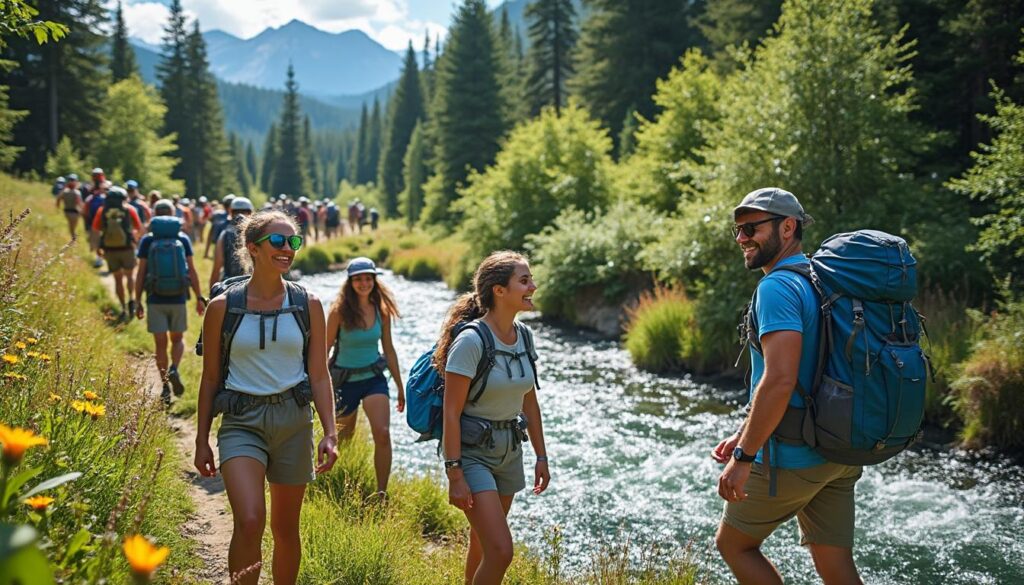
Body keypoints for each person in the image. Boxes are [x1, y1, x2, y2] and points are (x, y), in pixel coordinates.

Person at [713, 188, 864, 585]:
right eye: (738, 230)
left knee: (734, 545)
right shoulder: (822, 280)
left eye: (752, 228)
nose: (742, 238)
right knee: (836, 562)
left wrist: (744, 457)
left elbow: (780, 379)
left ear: (788, 227)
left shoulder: (777, 288)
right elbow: (813, 369)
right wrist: (746, 430)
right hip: (839, 450)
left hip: (795, 456)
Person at [193, 209, 337, 585]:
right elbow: (209, 379)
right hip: (241, 422)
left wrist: (330, 432)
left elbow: (319, 375)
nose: (287, 249)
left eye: (293, 241)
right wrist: (201, 439)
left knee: (286, 529)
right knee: (251, 519)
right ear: (252, 248)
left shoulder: (310, 305)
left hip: (294, 422)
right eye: (277, 241)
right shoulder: (222, 308)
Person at [438, 251, 550, 585]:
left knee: (484, 544)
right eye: (524, 280)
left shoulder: (524, 336)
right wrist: (455, 473)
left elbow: (529, 402)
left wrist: (541, 456)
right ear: (499, 290)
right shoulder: (471, 341)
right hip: (473, 455)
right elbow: (451, 411)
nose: (533, 285)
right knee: (501, 551)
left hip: (509, 450)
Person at [325, 257, 405, 495]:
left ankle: (382, 492)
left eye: (368, 278)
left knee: (382, 433)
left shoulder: (382, 310)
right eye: (358, 279)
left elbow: (389, 349)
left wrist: (400, 386)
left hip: (373, 379)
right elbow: (324, 349)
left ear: (374, 280)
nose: (363, 283)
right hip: (344, 381)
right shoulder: (338, 311)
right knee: (344, 438)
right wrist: (318, 385)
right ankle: (341, 484)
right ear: (350, 282)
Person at [134, 200, 206, 405]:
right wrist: (199, 296)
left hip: (155, 298)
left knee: (160, 343)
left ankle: (165, 384)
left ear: (154, 215)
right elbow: (191, 270)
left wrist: (137, 300)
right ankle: (175, 367)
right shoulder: (182, 238)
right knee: (177, 339)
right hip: (178, 297)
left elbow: (140, 273)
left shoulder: (148, 241)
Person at [92, 186, 143, 318]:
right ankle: (131, 298)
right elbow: (139, 228)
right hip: (127, 248)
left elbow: (96, 229)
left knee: (117, 279)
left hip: (110, 249)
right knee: (130, 276)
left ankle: (123, 307)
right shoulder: (129, 209)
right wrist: (134, 239)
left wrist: (98, 247)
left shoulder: (102, 211)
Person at [210, 197, 254, 291]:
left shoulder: (225, 233)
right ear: (251, 213)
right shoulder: (258, 234)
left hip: (230, 286)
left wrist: (212, 294)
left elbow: (217, 266)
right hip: (254, 285)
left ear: (231, 212)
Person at [205, 195, 234, 259]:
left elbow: (210, 233)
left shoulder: (217, 214)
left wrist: (206, 252)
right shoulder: (218, 215)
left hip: (220, 247)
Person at [55, 173, 83, 240]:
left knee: (71, 228)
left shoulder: (64, 191)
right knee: (73, 228)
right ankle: (74, 239)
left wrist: (58, 207)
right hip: (75, 212)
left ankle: (73, 239)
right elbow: (79, 203)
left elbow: (58, 199)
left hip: (67, 212)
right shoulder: (77, 192)